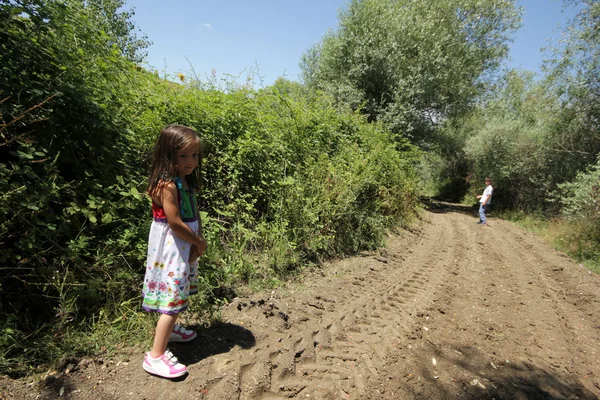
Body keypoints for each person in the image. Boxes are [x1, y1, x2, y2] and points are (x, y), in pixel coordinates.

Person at [141, 124, 208, 378]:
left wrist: (197, 240)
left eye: (194, 155)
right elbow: (175, 223)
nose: (191, 161)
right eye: (184, 156)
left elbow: (194, 214)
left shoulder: (186, 181)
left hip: (185, 243)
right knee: (171, 299)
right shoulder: (167, 185)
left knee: (178, 292)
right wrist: (199, 243)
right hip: (172, 247)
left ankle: (170, 332)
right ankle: (155, 356)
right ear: (168, 154)